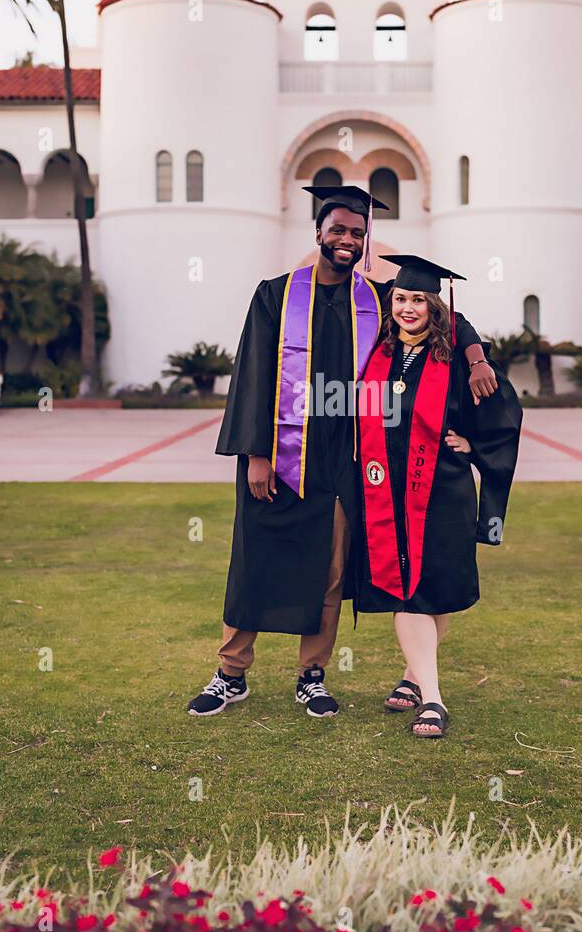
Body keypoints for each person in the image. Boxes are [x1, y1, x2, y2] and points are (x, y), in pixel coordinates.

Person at [186, 187, 497, 720]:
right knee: (254, 561)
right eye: (339, 230)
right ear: (319, 234)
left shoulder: (378, 297)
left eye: (357, 232)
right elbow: (253, 374)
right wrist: (255, 452)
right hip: (279, 455)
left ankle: (313, 674)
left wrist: (475, 358)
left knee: (329, 571)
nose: (348, 240)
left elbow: (444, 317)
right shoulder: (275, 295)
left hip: (346, 459)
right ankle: (231, 673)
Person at [354, 254, 522, 739]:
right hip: (387, 490)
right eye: (401, 298)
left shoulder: (454, 356)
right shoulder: (376, 352)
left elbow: (503, 411)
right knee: (408, 590)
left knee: (437, 587)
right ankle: (431, 697)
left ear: (434, 306)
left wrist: (475, 447)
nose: (408, 308)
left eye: (419, 300)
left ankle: (413, 677)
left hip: (441, 489)